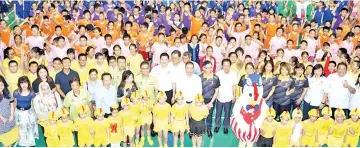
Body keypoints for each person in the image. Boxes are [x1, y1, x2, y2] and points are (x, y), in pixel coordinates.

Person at [13, 76, 38, 147]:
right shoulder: (16, 92)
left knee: (29, 128)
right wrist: (14, 114)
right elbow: (14, 103)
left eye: (25, 83)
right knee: (22, 128)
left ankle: (30, 143)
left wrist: (35, 115)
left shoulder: (31, 93)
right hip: (19, 112)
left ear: (28, 83)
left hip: (28, 112)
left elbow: (33, 104)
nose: (24, 85)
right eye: (22, 83)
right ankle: (22, 142)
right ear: (19, 84)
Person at [215, 59, 236, 134]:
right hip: (219, 97)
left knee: (227, 113)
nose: (226, 67)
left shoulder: (233, 74)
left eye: (228, 66)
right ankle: (217, 125)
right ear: (222, 66)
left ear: (230, 66)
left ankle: (226, 126)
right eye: (224, 66)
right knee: (218, 112)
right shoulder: (218, 74)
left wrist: (234, 96)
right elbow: (216, 86)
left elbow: (234, 86)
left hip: (229, 97)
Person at [199, 60, 220, 137]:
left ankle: (209, 129)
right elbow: (198, 91)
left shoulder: (216, 78)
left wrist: (211, 102)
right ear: (203, 68)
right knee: (200, 115)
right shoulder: (199, 77)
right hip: (201, 101)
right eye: (207, 68)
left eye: (211, 68)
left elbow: (216, 91)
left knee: (209, 115)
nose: (209, 70)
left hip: (211, 100)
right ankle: (200, 130)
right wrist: (202, 102)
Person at [0, 77, 18, 147]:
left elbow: (12, 105)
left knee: (11, 130)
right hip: (1, 118)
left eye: (1, 85)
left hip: (9, 115)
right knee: (3, 132)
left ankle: (9, 142)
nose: (0, 87)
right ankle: (6, 143)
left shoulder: (8, 93)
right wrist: (2, 118)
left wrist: (12, 115)